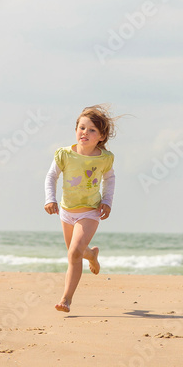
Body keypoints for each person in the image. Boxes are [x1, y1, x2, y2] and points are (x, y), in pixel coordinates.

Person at [44, 105, 118, 313]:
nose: (85, 132)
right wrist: (50, 199)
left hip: (90, 212)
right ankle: (92, 256)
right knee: (75, 253)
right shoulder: (64, 155)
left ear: (101, 136)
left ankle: (66, 299)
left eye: (92, 130)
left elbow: (110, 179)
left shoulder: (104, 158)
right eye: (82, 127)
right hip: (67, 211)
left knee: (74, 254)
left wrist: (107, 201)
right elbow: (51, 177)